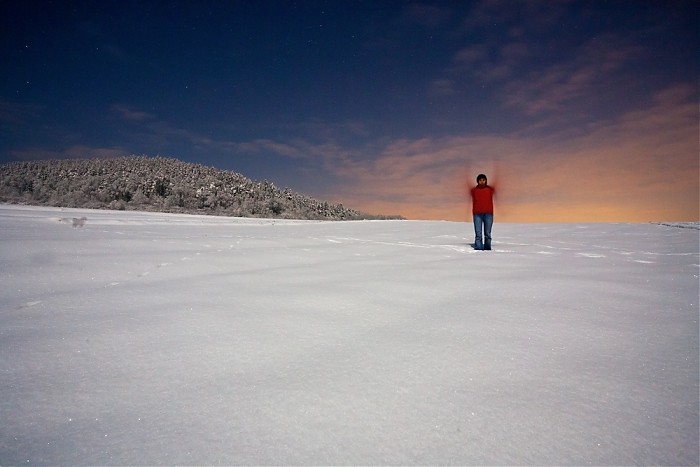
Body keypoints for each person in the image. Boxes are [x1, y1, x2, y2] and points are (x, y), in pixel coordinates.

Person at [470, 173, 495, 250]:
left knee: (487, 234)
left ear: (486, 181)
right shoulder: (474, 190)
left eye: (483, 180)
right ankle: (478, 249)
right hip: (477, 214)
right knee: (478, 234)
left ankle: (487, 249)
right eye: (480, 180)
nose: (482, 181)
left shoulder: (490, 190)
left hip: (488, 214)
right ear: (478, 181)